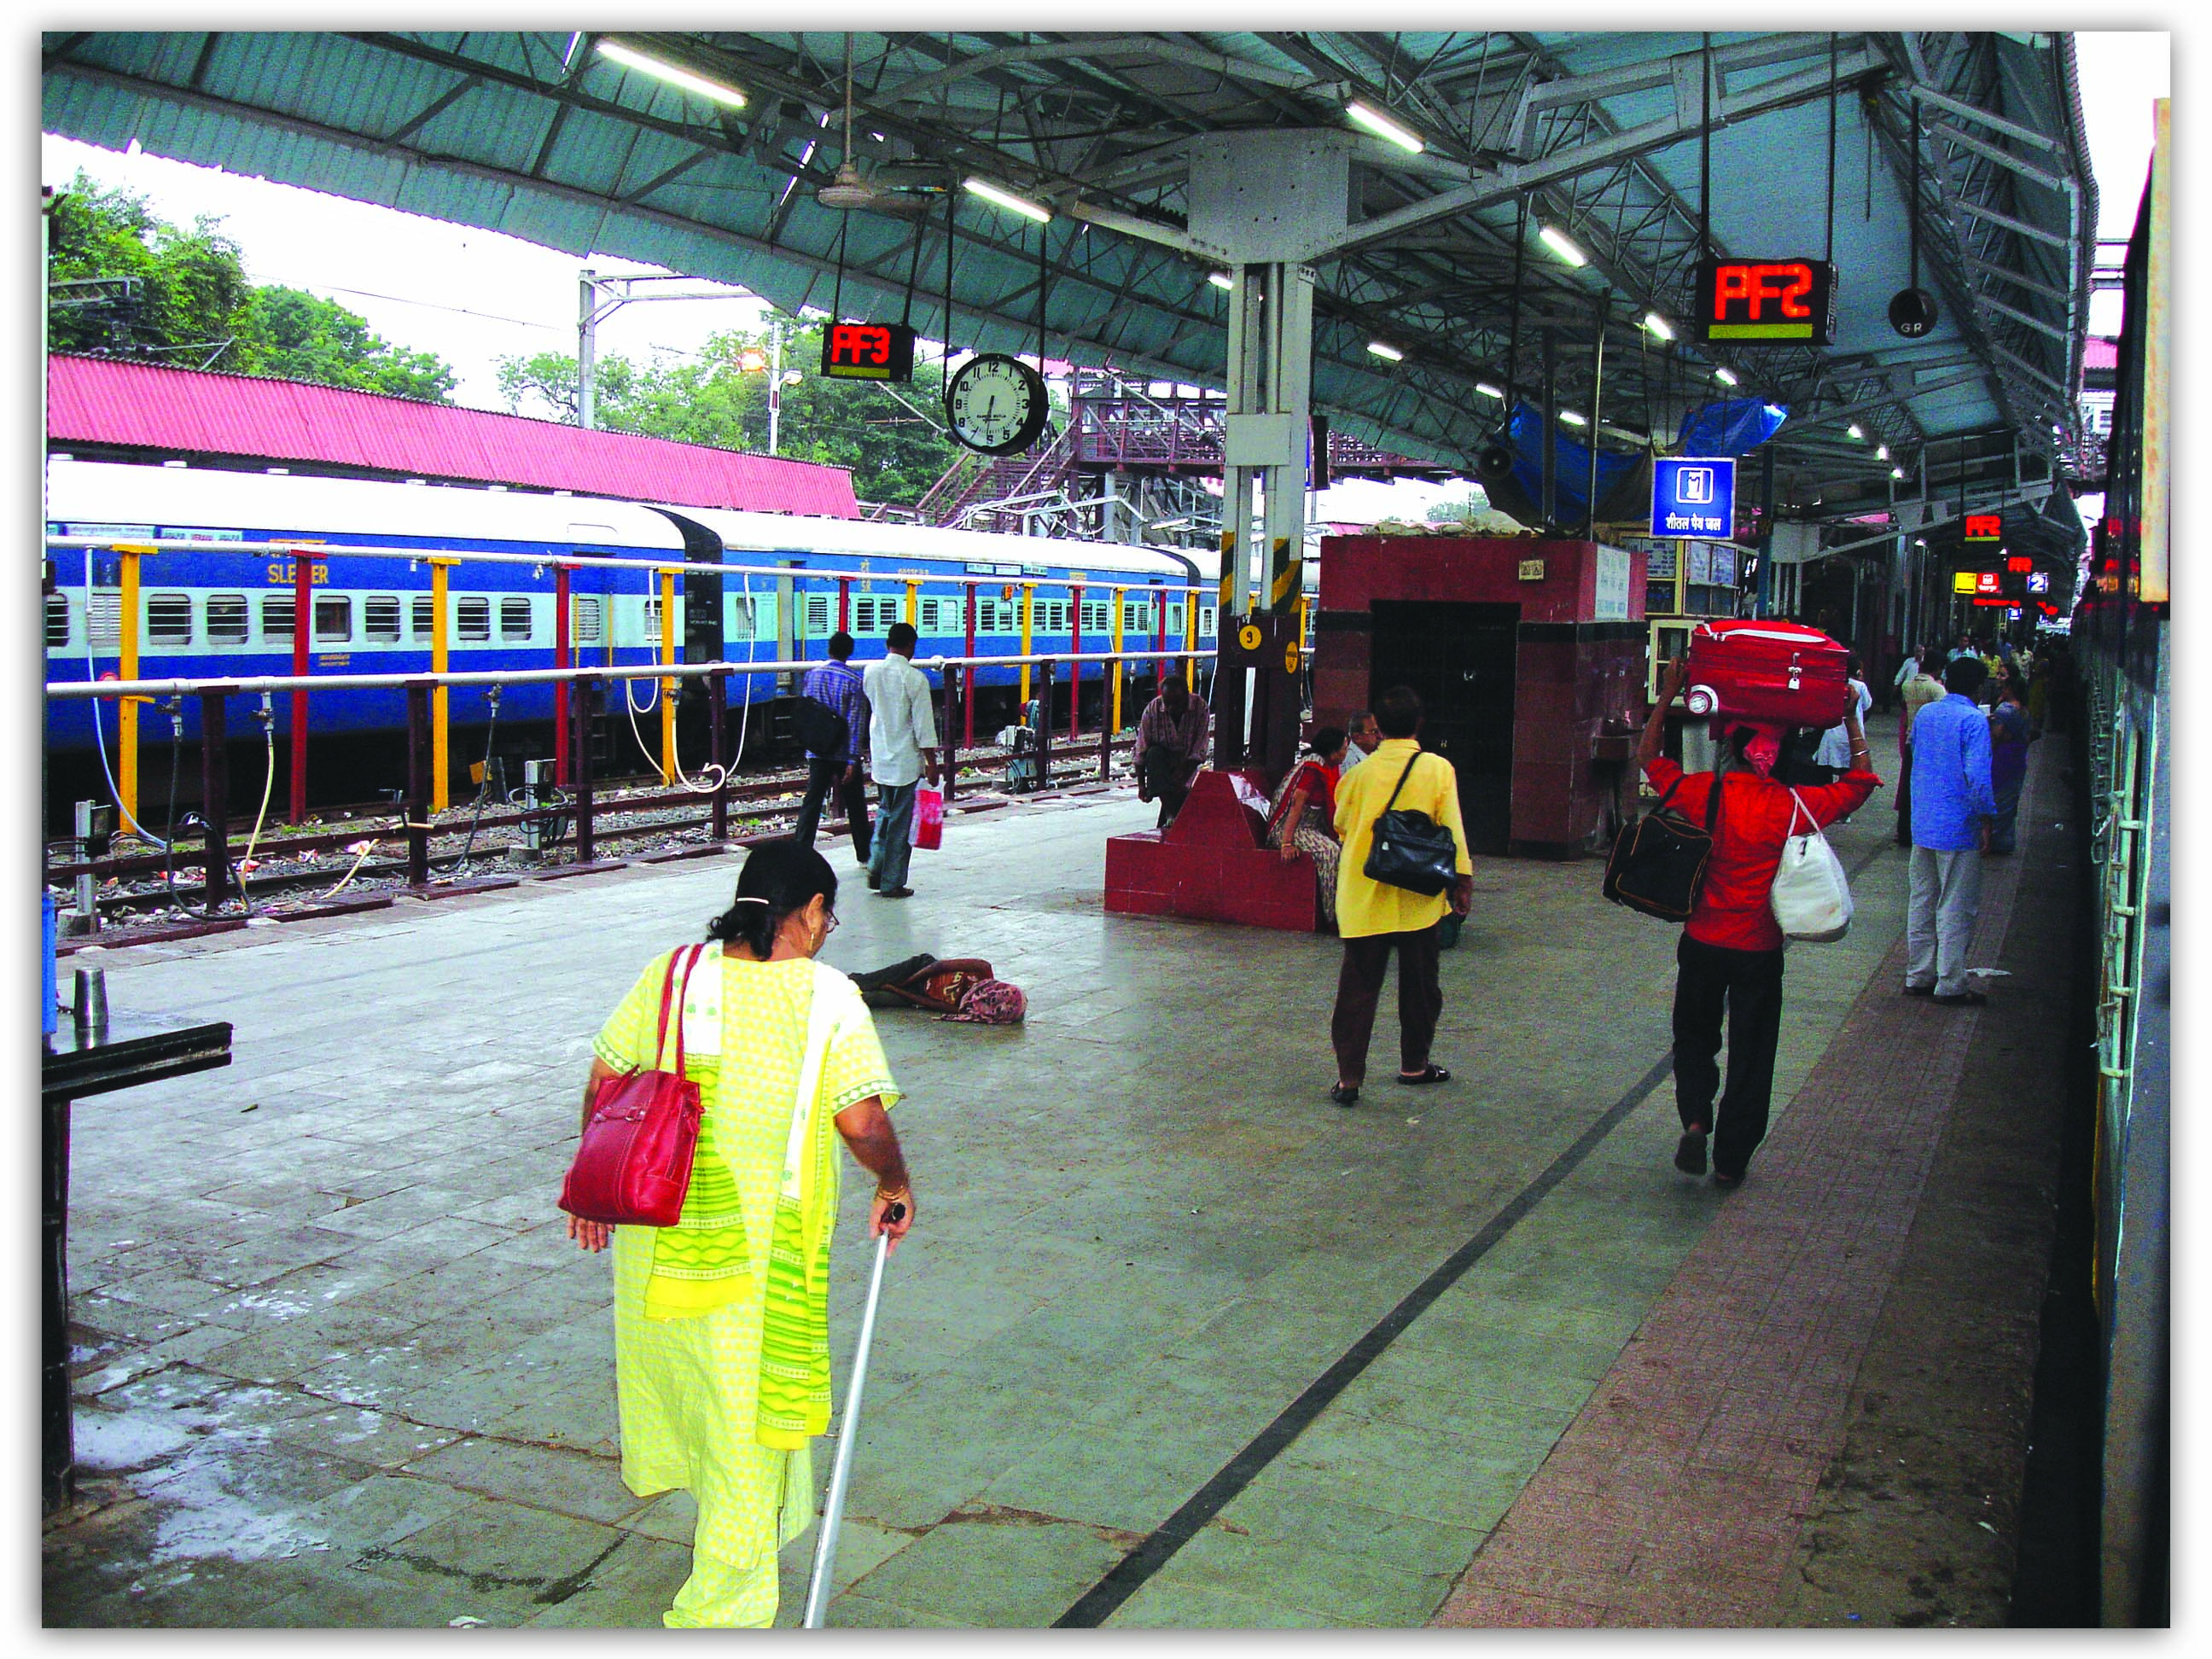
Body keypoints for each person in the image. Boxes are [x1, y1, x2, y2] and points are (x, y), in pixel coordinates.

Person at [568, 841, 917, 1627]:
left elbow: (604, 1080)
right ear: (806, 912)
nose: (830, 929)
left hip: (658, 1244)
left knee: (701, 1401)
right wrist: (895, 1183)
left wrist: (593, 1185)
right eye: (829, 912)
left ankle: (739, 1529)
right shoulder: (827, 997)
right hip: (758, 1262)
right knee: (746, 1428)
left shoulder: (673, 973)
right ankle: (723, 1608)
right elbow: (861, 1121)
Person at [1635, 657, 1879, 1188]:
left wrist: (1670, 692)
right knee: (1754, 1049)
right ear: (1773, 760)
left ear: (1729, 752)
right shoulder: (1792, 806)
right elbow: (1861, 783)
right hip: (1760, 949)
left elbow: (1649, 756)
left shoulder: (1705, 794)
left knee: (1694, 1036)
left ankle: (1697, 1115)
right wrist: (1851, 719)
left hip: (1701, 940)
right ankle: (1731, 1160)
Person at [1327, 685, 1473, 1107]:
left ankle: (1350, 1079)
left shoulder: (1358, 775)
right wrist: (1461, 883)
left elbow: (1341, 824)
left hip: (1364, 895)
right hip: (1419, 897)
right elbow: (1453, 828)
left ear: (1378, 729)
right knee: (1421, 987)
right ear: (1418, 724)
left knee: (1358, 991)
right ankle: (1415, 1064)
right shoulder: (1437, 769)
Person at [1905, 656, 1999, 1005]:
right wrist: (1987, 818)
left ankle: (1918, 975)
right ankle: (1951, 982)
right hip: (1958, 825)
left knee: (1922, 900)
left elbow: (1914, 751)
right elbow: (1977, 776)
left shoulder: (1927, 714)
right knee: (1955, 905)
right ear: (1978, 687)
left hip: (1924, 822)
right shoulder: (1974, 720)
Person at [861, 622, 941, 899]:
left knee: (884, 814)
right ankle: (891, 881)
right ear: (911, 647)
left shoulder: (870, 673)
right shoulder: (915, 679)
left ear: (887, 644)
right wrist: (932, 763)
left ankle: (876, 865)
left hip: (881, 758)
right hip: (906, 762)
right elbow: (923, 727)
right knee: (900, 824)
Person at [791, 632, 870, 865]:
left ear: (829, 650)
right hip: (842, 752)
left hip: (817, 750)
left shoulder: (812, 675)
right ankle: (864, 854)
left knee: (812, 801)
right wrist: (853, 760)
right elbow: (855, 723)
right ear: (850, 653)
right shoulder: (854, 682)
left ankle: (801, 851)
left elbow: (806, 711)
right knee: (856, 804)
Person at [1266, 726, 1348, 925]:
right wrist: (1286, 843)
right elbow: (1297, 804)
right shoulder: (1312, 768)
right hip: (1292, 828)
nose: (1347, 751)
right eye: (1345, 747)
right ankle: (1333, 916)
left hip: (1311, 826)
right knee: (1329, 852)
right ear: (1334, 751)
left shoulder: (1329, 767)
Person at [1132, 674, 1211, 828]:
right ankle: (1170, 813)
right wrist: (1141, 785)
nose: (1171, 708)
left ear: (1186, 697)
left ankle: (1171, 813)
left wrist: (1183, 773)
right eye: (1167, 703)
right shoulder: (1152, 710)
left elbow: (1200, 749)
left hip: (1189, 763)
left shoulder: (1200, 708)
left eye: (1176, 703)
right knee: (1154, 754)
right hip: (1162, 764)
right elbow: (1141, 749)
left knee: (1183, 791)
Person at [1895, 645, 1947, 848]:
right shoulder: (1936, 689)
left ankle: (1904, 831)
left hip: (1910, 739)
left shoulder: (1908, 685)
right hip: (1929, 744)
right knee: (1925, 789)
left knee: (1908, 786)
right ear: (1939, 668)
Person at [1986, 669, 2033, 855]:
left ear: (2011, 689)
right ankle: (2005, 839)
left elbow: (1996, 735)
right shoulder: (2024, 710)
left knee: (1997, 798)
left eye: (2004, 685)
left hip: (2002, 758)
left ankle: (1995, 840)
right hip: (2017, 758)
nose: (2001, 688)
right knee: (2010, 799)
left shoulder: (2004, 710)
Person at [1811, 658, 1873, 787]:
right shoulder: (1860, 686)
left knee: (1828, 766)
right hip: (1852, 733)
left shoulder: (1835, 684)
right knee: (1849, 767)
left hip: (1833, 731)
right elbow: (1867, 706)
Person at [1336, 710, 1382, 774]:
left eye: (1381, 731)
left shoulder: (1376, 756)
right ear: (1357, 737)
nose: (1380, 736)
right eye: (1374, 732)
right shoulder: (1350, 761)